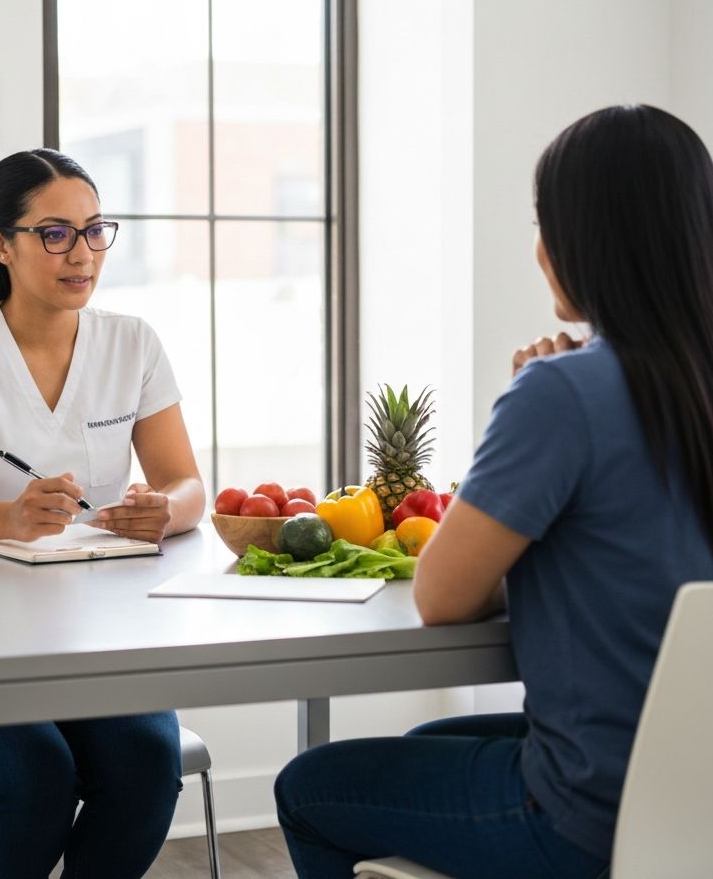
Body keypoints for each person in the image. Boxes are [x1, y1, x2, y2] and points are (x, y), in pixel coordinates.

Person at [274, 105, 713, 879]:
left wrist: (525, 406)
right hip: (693, 788)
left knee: (312, 786)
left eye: (544, 221)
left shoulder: (563, 393)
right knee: (415, 754)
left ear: (581, 241)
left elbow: (442, 597)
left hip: (588, 814)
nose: (538, 247)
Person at [0, 148, 205, 879]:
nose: (82, 253)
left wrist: (162, 511)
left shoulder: (134, 342)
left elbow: (187, 483)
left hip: (99, 642)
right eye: (55, 234)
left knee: (149, 767)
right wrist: (6, 518)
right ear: (1, 244)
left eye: (94, 231)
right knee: (35, 779)